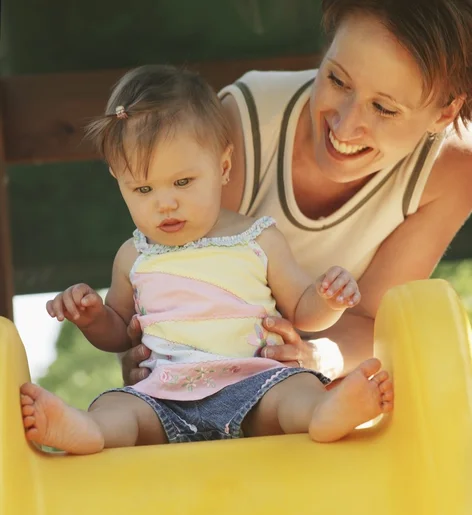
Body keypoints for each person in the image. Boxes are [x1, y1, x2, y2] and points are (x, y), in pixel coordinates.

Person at [19, 65, 392, 454]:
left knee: (295, 389)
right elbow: (119, 333)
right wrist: (92, 317)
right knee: (117, 406)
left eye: (182, 182)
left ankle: (324, 412)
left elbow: (302, 310)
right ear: (119, 182)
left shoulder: (257, 238)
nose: (165, 203)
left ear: (223, 166)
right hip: (164, 394)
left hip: (255, 385)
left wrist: (329, 299)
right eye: (143, 188)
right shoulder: (133, 255)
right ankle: (89, 429)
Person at [120, 0, 472, 386]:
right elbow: (174, 270)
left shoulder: (454, 170)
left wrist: (316, 357)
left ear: (444, 113)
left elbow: (374, 322)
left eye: (384, 108)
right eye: (337, 80)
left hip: (314, 392)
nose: (345, 124)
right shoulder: (247, 118)